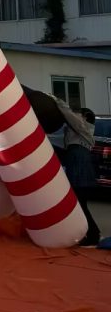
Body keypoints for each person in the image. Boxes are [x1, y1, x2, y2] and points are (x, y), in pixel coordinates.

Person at [55, 98, 100, 247]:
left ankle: (93, 234)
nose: (75, 115)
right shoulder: (78, 133)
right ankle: (91, 233)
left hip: (80, 167)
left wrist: (58, 102)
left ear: (85, 117)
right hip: (77, 164)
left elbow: (71, 118)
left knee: (80, 202)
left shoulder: (84, 127)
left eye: (78, 114)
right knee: (79, 203)